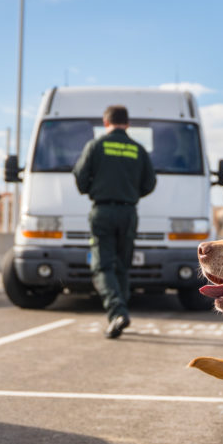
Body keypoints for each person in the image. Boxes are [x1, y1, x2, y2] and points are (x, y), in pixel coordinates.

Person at [74, 105, 157, 338]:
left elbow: (80, 179)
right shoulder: (138, 149)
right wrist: (129, 193)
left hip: (102, 210)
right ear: (127, 124)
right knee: (122, 265)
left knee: (102, 265)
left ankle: (117, 311)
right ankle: (121, 311)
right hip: (129, 212)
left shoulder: (96, 146)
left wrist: (97, 189)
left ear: (105, 122)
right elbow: (149, 183)